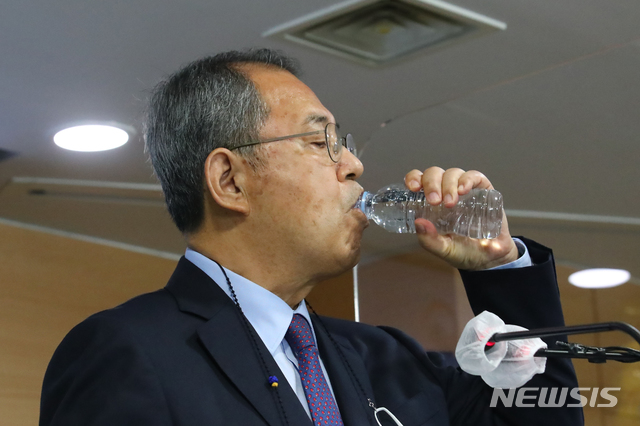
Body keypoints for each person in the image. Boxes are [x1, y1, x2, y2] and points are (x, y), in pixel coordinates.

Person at [40, 49, 583, 425]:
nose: (353, 163)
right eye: (320, 140)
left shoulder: (388, 359)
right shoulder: (128, 352)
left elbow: (543, 415)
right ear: (230, 180)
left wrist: (501, 265)